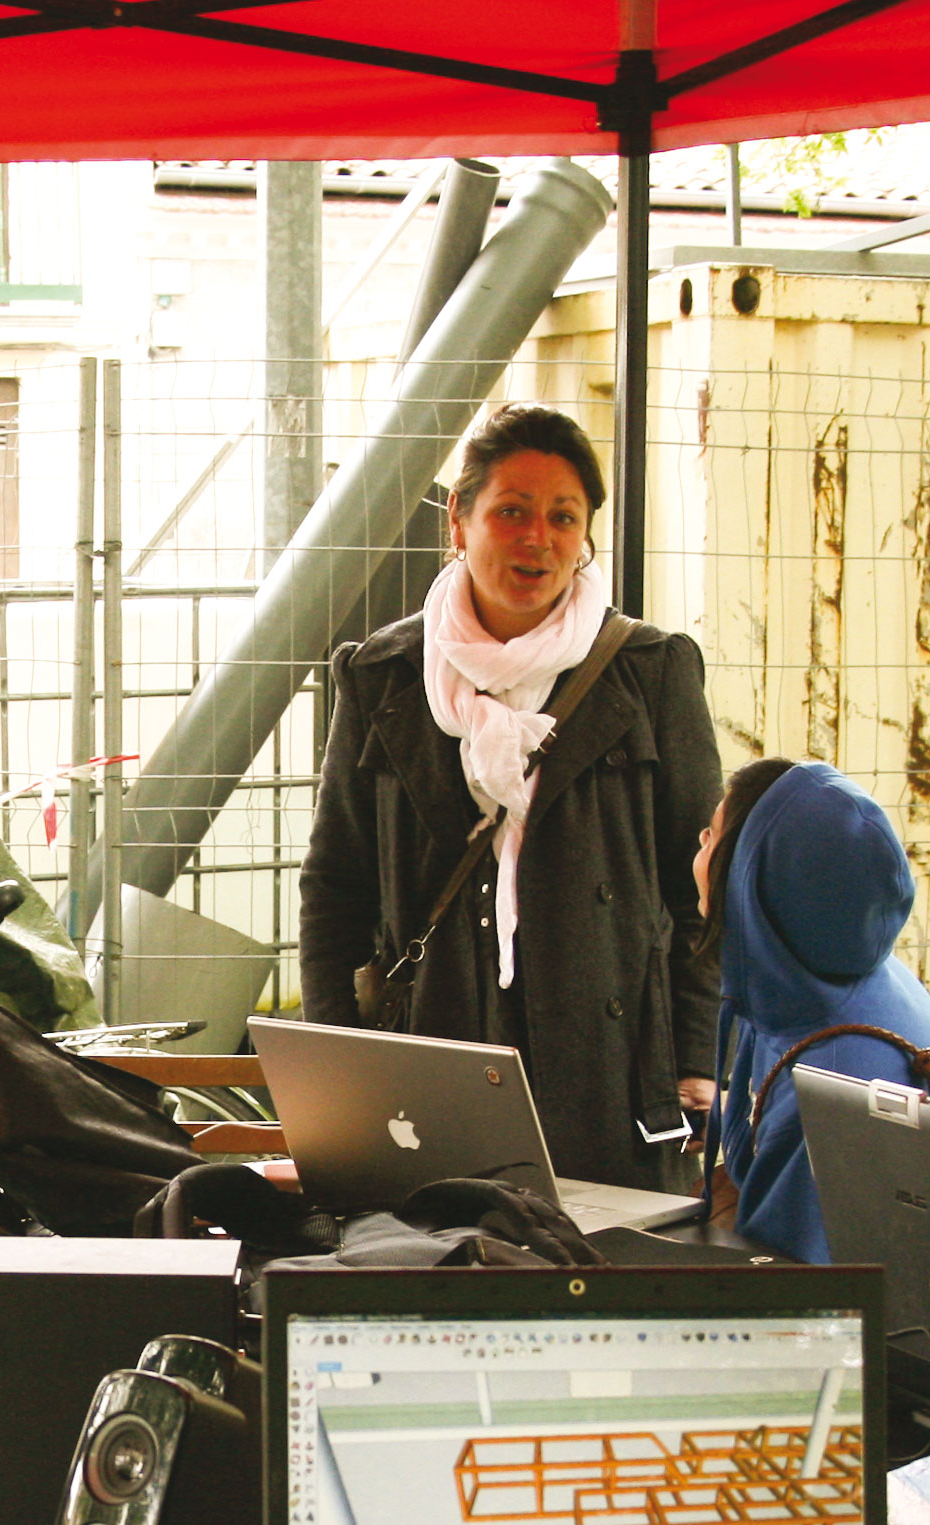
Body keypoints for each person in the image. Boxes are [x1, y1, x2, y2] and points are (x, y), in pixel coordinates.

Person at [296, 404, 727, 1193]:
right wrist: (335, 1069)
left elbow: (703, 889)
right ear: (459, 521)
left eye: (565, 517)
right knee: (435, 1290)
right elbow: (334, 888)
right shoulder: (381, 676)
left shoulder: (651, 672)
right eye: (512, 512)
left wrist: (697, 1057)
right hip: (428, 1064)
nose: (539, 538)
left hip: (611, 1076)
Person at [695, 755, 930, 1262]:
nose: (699, 850)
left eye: (709, 838)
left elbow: (797, 1302)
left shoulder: (831, 1084)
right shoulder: (837, 979)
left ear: (749, 879)